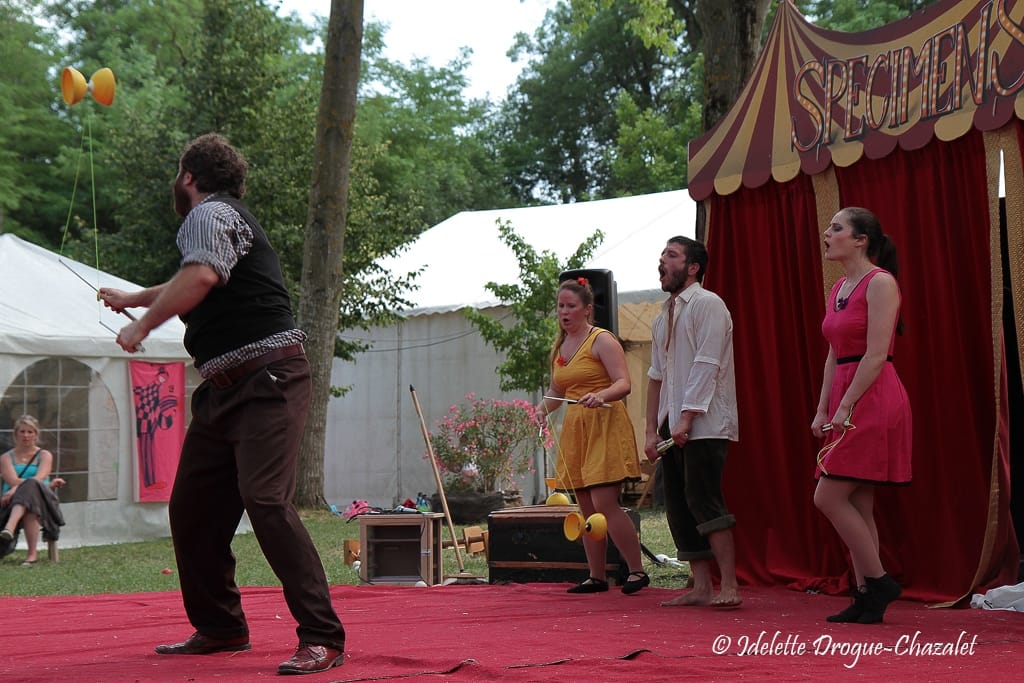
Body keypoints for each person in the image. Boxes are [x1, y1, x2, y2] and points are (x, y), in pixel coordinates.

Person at [98, 133, 345, 675]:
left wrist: (141, 324)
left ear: (188, 176)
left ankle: (323, 636)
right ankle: (220, 627)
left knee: (267, 501)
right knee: (192, 510)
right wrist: (134, 297)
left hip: (268, 381)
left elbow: (202, 274)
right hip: (225, 390)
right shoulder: (223, 219)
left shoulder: (205, 215)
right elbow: (195, 276)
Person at [812, 207, 911, 624]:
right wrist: (823, 408)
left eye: (837, 228)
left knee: (828, 496)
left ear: (861, 239)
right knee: (860, 503)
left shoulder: (880, 283)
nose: (827, 233)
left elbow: (875, 354)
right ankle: (867, 596)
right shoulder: (839, 287)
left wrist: (847, 405)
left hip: (874, 394)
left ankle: (880, 580)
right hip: (847, 393)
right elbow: (835, 353)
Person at [643, 237, 741, 608]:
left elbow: (707, 364)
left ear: (693, 267)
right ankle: (701, 586)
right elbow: (657, 376)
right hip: (674, 422)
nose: (662, 260)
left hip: (706, 422)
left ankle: (729, 585)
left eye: (671, 255)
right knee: (680, 505)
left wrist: (687, 417)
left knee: (704, 499)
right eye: (662, 253)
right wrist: (653, 429)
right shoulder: (661, 316)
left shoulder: (707, 304)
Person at [539, 277, 649, 595]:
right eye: (560, 306)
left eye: (571, 306)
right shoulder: (559, 347)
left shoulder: (602, 340)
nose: (564, 311)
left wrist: (601, 395)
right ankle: (596, 576)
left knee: (604, 502)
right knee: (586, 507)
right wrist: (541, 411)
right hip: (576, 429)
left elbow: (623, 383)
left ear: (587, 309)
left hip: (604, 423)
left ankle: (637, 571)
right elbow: (557, 390)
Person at [1, 415, 66, 566]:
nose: (26, 435)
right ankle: (32, 555)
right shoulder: (6, 458)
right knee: (31, 503)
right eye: (22, 431)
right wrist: (16, 487)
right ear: (15, 434)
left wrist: (15, 488)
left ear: (36, 434)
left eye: (30, 432)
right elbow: (12, 480)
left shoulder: (44, 455)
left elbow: (39, 478)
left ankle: (10, 527)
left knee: (32, 491)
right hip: (11, 502)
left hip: (43, 502)